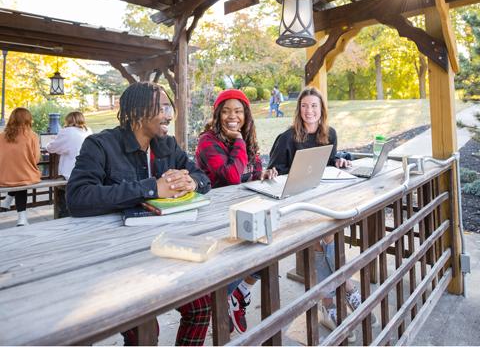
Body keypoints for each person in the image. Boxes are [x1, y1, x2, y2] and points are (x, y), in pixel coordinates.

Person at [67, 82, 212, 346]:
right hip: (120, 259)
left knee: (201, 308)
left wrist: (191, 181)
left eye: (170, 108)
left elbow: (202, 177)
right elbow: (78, 198)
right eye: (163, 107)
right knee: (145, 331)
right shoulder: (100, 145)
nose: (169, 115)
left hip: (164, 249)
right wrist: (151, 188)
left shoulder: (167, 145)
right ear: (137, 111)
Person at [268, 87, 365, 340]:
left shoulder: (329, 134)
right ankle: (343, 290)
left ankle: (330, 301)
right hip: (294, 203)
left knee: (329, 235)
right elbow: (272, 171)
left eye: (314, 106)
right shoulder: (287, 137)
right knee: (320, 240)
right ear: (299, 110)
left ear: (321, 110)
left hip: (322, 199)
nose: (309, 111)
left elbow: (327, 164)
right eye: (304, 106)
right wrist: (272, 173)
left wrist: (339, 162)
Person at [195, 89, 277, 334]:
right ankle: (221, 300)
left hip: (243, 210)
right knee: (239, 262)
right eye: (227, 110)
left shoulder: (247, 137)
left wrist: (263, 174)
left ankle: (238, 293)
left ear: (245, 114)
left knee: (269, 250)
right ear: (218, 114)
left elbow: (253, 170)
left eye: (238, 111)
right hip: (215, 218)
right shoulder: (208, 141)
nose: (233, 116)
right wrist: (239, 141)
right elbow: (231, 177)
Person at [0, 107, 41, 226]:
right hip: (25, 176)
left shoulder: (1, 136)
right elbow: (36, 159)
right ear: (28, 119)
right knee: (22, 178)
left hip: (3, 177)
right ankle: (22, 219)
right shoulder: (32, 136)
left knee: (19, 176)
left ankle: (7, 201)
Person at [46, 111, 92, 180]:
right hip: (88, 170)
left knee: (57, 181)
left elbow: (51, 148)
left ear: (68, 120)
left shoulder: (67, 131)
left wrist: (47, 144)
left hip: (71, 172)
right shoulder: (88, 131)